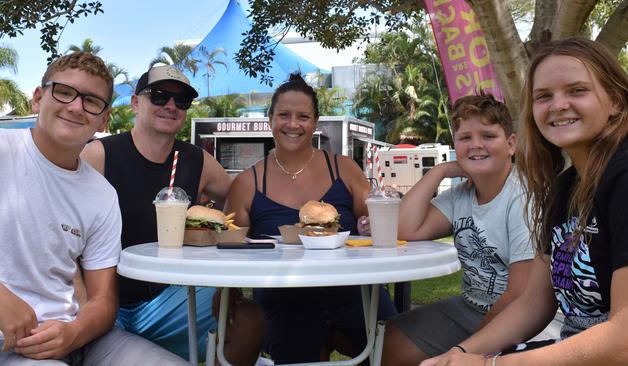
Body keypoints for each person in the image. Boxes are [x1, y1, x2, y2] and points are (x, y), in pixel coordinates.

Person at [421, 37, 628, 366]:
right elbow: (534, 303)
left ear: (615, 101)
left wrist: (490, 364)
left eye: (577, 91)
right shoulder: (564, 187)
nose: (557, 105)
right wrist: (459, 353)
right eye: (544, 96)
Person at [0, 52, 190, 365]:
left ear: (103, 118)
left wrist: (72, 333)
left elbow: (103, 301)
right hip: (14, 345)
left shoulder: (100, 194)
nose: (75, 107)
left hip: (79, 336)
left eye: (91, 101)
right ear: (38, 97)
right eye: (63, 92)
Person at [81, 65, 264, 364]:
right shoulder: (99, 154)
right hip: (103, 301)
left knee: (247, 317)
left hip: (169, 302)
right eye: (159, 96)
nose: (170, 106)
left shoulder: (195, 160)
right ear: (136, 102)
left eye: (181, 101)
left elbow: (240, 199)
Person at [224, 73, 397, 363]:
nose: (293, 124)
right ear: (270, 120)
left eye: (303, 116)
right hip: (283, 301)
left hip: (356, 292)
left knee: (397, 353)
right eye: (284, 115)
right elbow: (231, 249)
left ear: (315, 122)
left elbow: (375, 220)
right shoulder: (247, 183)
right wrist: (227, 294)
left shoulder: (344, 169)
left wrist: (370, 226)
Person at [368, 93, 534, 366]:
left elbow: (521, 295)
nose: (476, 145)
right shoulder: (461, 195)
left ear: (511, 144)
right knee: (390, 340)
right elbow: (404, 229)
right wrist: (441, 171)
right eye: (465, 138)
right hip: (471, 306)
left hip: (519, 315)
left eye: (488, 136)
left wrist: (466, 348)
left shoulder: (523, 197)